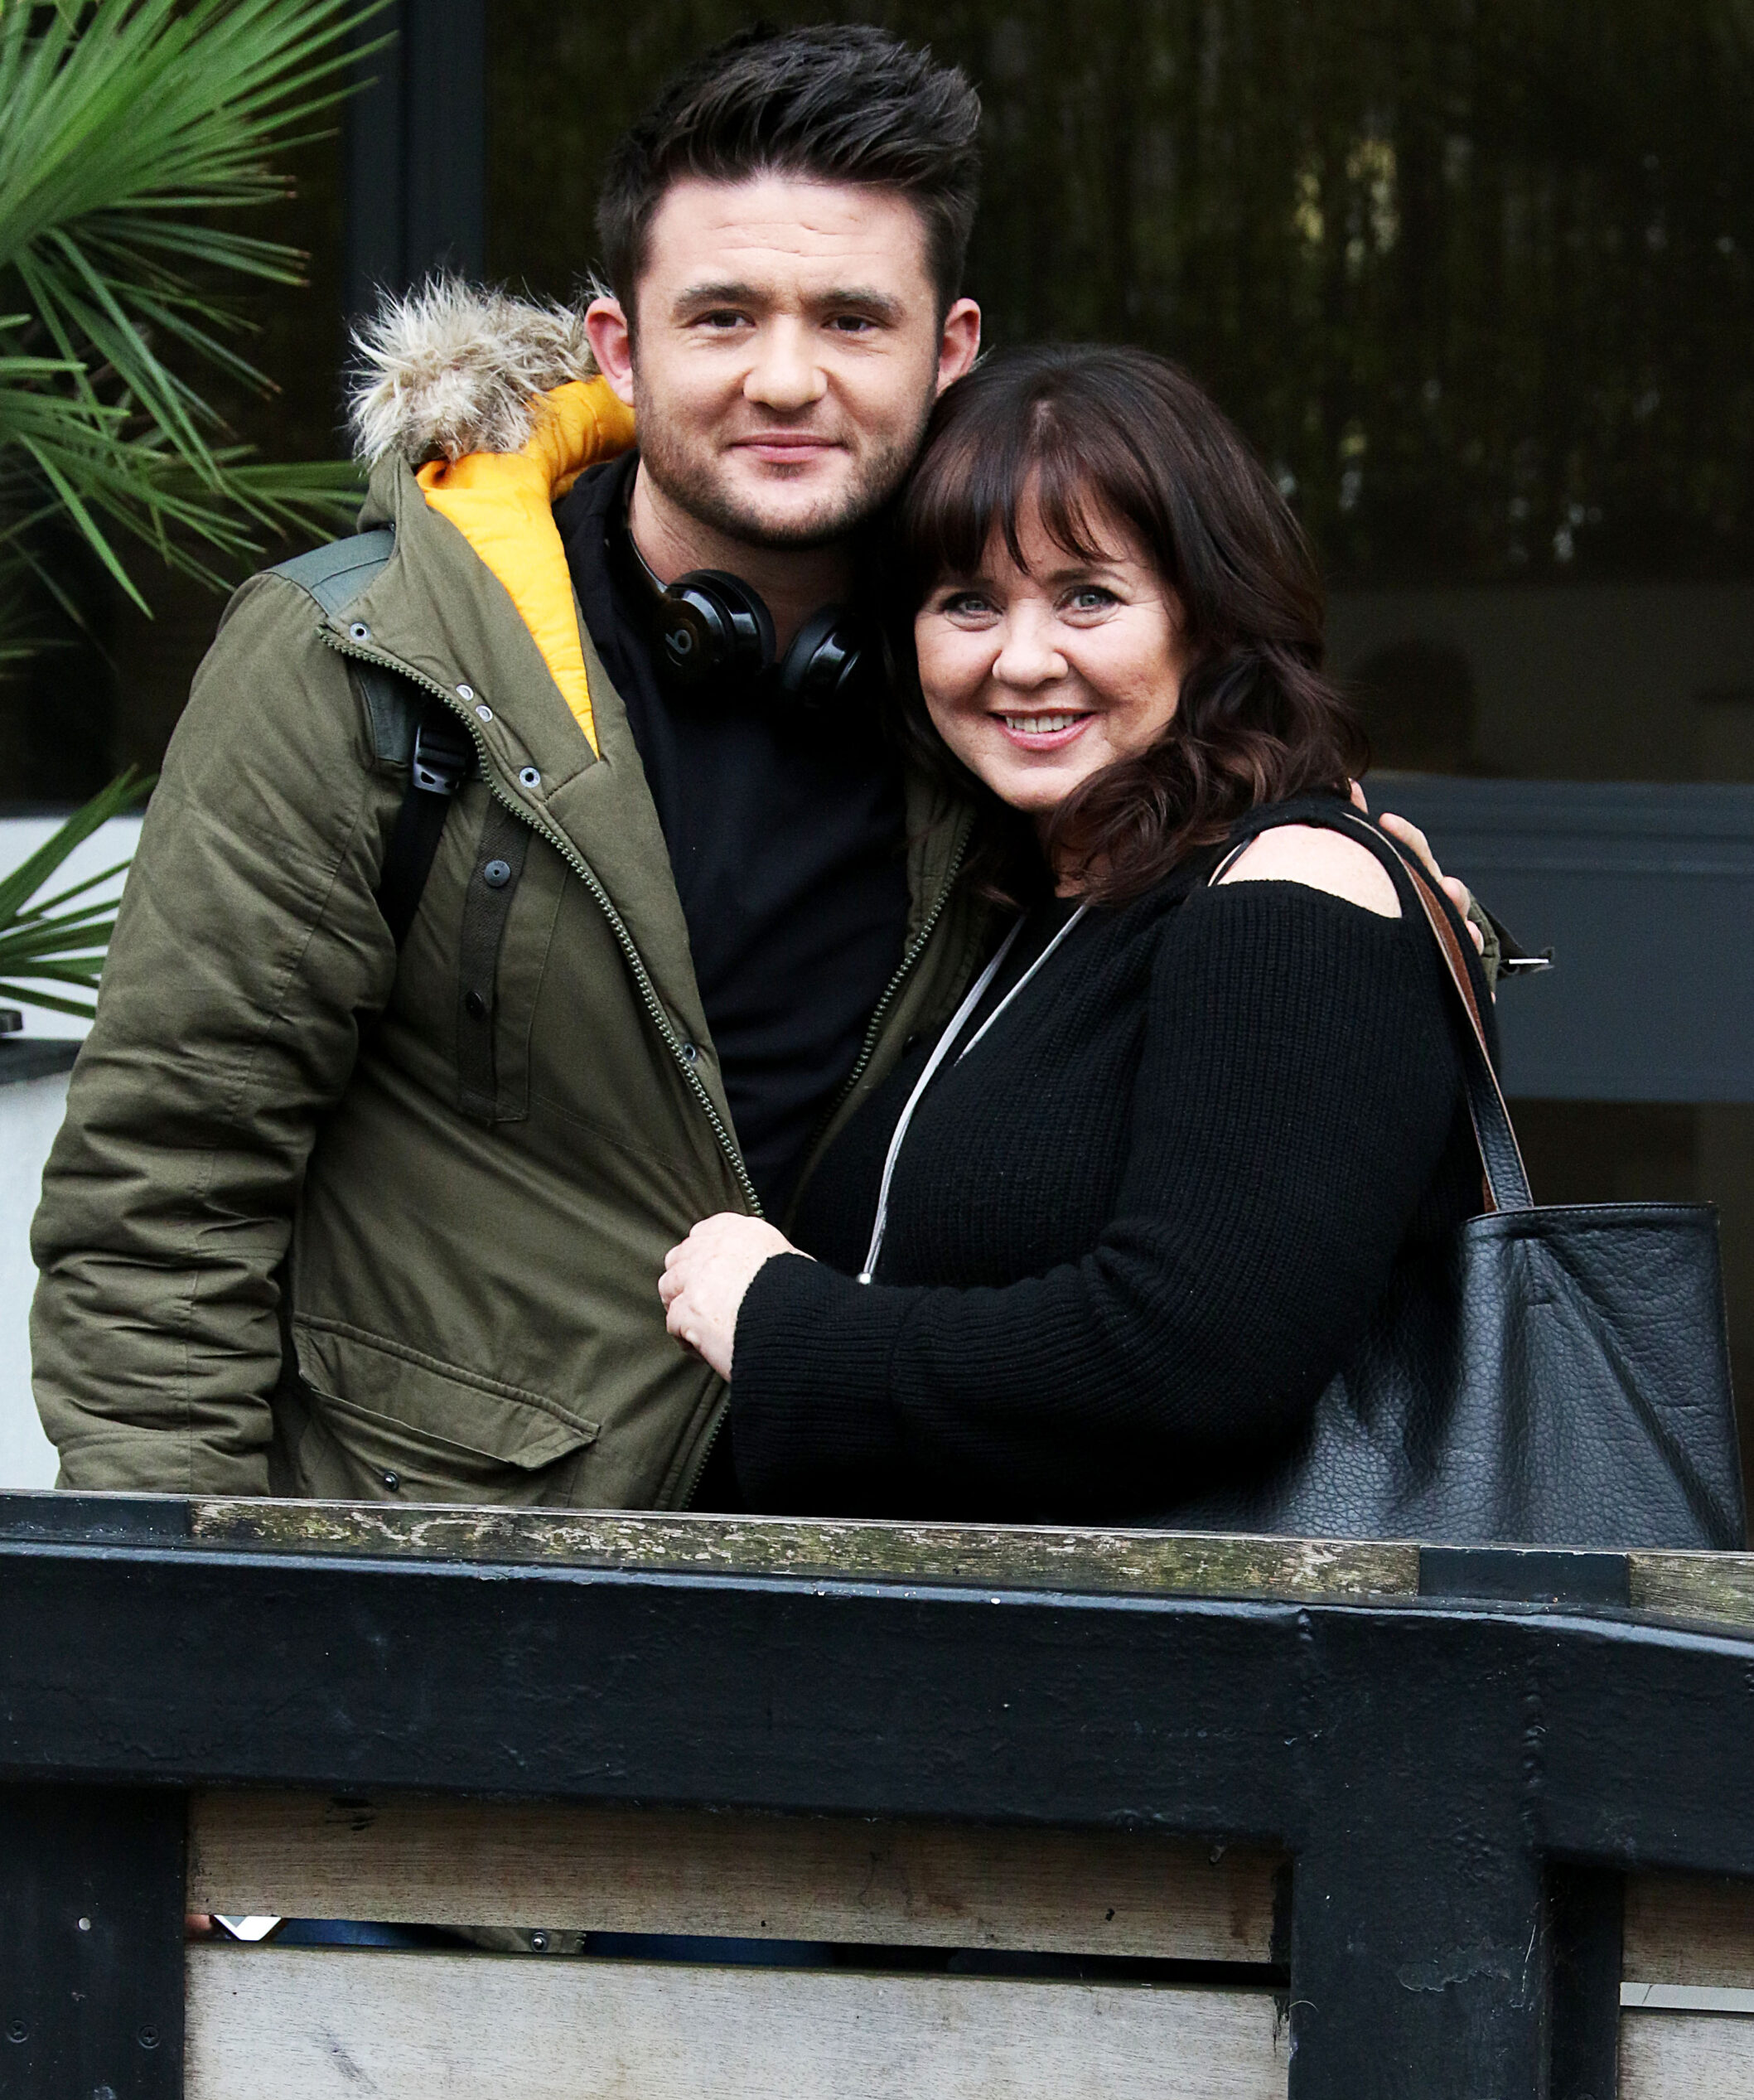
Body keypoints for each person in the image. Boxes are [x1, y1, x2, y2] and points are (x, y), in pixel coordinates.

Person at [31, 25, 1484, 1506]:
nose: (785, 379)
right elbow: (167, 1196)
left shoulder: (986, 710)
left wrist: (1341, 888)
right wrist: (193, 1626)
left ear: (951, 347)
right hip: (442, 1594)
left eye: (852, 320)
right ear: (618, 345)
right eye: (721, 317)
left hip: (842, 1612)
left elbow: (1214, 1016)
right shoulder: (362, 662)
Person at [658, 345, 1486, 1525]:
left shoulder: (1291, 888)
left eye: (1088, 595)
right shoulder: (1029, 911)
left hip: (1182, 1682)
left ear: (1207, 615)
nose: (1023, 659)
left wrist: (785, 1325)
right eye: (967, 603)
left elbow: (1184, 1359)